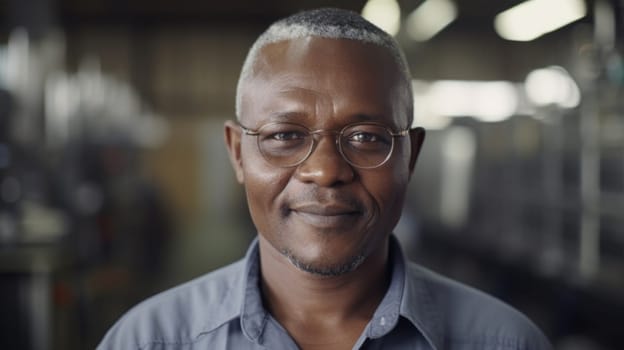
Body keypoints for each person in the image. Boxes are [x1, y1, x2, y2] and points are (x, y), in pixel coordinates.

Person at [98, 8, 552, 350]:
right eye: (285, 136)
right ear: (238, 153)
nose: (326, 170)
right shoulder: (151, 340)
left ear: (410, 155)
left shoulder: (503, 342)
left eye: (366, 137)